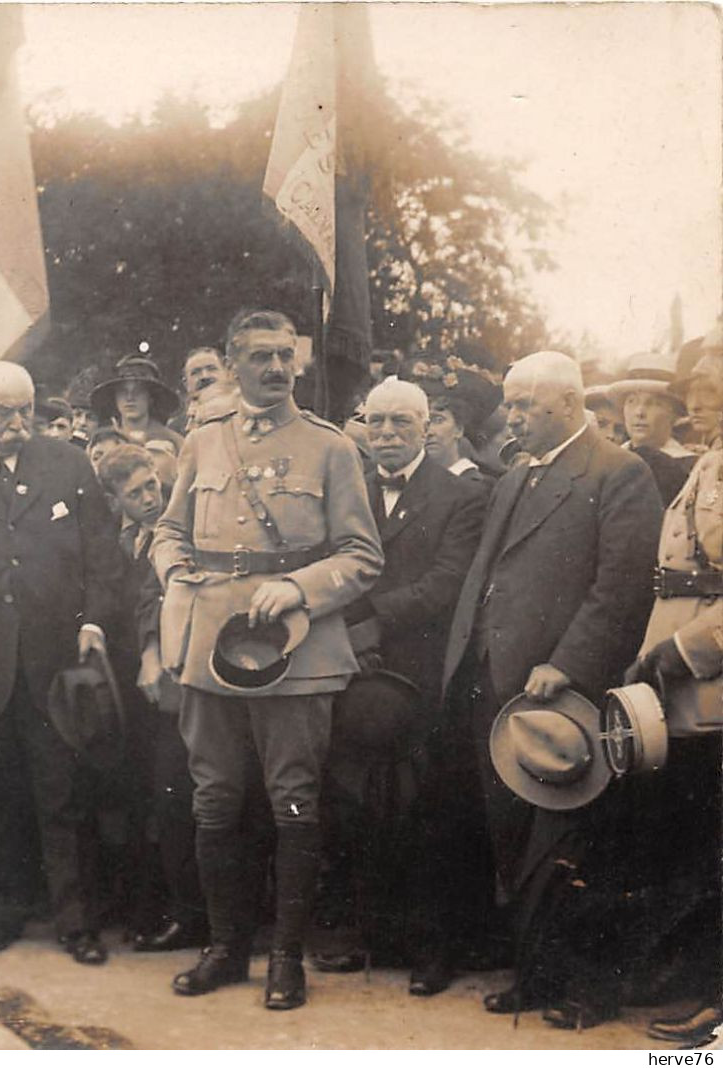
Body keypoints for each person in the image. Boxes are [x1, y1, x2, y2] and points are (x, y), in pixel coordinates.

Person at [152, 308, 383, 1011]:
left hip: (295, 648)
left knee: (292, 800)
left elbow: (363, 555)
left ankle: (286, 957)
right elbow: (168, 528)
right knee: (214, 799)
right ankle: (224, 949)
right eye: (259, 357)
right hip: (209, 646)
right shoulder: (202, 441)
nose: (276, 369)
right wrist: (170, 573)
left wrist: (298, 587)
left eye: (285, 356)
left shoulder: (329, 447)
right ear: (230, 363)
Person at [441, 350, 661, 1024]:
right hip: (496, 682)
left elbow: (619, 590)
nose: (509, 416)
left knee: (571, 844)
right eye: (509, 404)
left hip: (561, 694)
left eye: (522, 405)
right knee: (511, 835)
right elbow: (484, 577)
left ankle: (585, 988)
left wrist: (567, 664)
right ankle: (533, 974)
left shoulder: (619, 474)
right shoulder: (515, 474)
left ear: (566, 405)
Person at [0, 361, 126, 965]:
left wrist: (93, 622)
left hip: (53, 663)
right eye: (3, 411)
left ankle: (75, 921)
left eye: (25, 410)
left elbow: (102, 555)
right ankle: (2, 912)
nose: (16, 423)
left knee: (61, 796)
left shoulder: (67, 463)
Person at [320, 378, 488, 994]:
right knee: (361, 804)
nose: (386, 435)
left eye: (401, 424)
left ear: (426, 428)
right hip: (354, 671)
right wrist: (345, 635)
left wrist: (367, 623)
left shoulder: (461, 496)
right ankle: (374, 935)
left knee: (429, 811)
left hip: (423, 674)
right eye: (377, 422)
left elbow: (447, 583)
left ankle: (434, 948)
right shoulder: (351, 491)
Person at [627, 355, 723, 1043]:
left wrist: (684, 649)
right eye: (693, 393)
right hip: (690, 686)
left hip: (708, 671)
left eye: (711, 393)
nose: (697, 405)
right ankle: (695, 972)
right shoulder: (708, 460)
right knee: (693, 838)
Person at [95, 443, 209, 952]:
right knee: (132, 797)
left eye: (152, 485)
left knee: (173, 796)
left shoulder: (173, 536)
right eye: (135, 492)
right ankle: (138, 904)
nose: (149, 497)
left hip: (165, 683)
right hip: (120, 687)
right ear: (113, 498)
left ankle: (185, 911)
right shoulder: (107, 541)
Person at [610, 353, 697, 505]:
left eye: (653, 403)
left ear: (674, 412)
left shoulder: (691, 467)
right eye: (631, 401)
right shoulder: (608, 460)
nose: (639, 412)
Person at [90, 353, 185, 455]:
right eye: (123, 391)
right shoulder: (102, 441)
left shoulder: (174, 442)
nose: (130, 397)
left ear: (150, 397)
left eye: (138, 391)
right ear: (115, 398)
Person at [170, 346, 226, 435]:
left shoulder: (247, 413)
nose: (204, 376)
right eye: (196, 372)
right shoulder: (175, 430)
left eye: (211, 369)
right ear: (186, 384)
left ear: (227, 373)